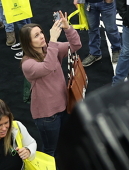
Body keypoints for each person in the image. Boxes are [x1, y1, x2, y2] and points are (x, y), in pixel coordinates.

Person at [20, 12, 81, 156]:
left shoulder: (50, 49)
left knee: (66, 142)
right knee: (50, 150)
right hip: (47, 116)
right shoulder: (27, 64)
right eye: (36, 36)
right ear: (28, 43)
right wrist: (53, 39)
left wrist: (68, 28)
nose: (42, 36)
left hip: (65, 106)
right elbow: (48, 66)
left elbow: (76, 45)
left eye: (41, 32)